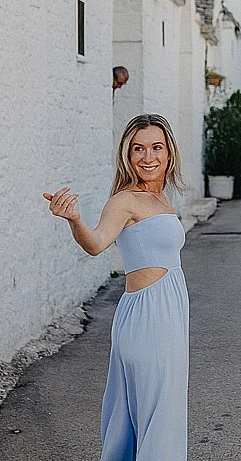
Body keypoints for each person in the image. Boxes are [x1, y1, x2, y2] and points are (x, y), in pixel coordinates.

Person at [44, 113, 189, 460]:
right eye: (138, 149)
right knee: (156, 417)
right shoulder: (125, 200)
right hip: (147, 319)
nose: (148, 157)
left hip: (169, 318)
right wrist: (76, 220)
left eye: (156, 147)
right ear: (128, 155)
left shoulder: (162, 200)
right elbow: (95, 244)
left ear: (169, 153)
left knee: (152, 415)